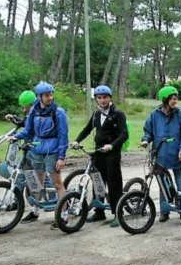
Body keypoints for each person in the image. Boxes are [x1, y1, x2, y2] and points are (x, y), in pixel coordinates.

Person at [70, 85, 128, 227]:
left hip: (112, 153)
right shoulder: (96, 113)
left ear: (109, 98)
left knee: (114, 184)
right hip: (98, 152)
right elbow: (88, 129)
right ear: (96, 99)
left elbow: (124, 134)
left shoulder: (117, 114)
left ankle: (117, 214)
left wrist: (112, 145)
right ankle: (99, 211)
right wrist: (77, 140)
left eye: (105, 97)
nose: (102, 100)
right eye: (99, 98)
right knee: (97, 181)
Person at [11, 81, 69, 225]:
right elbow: (28, 130)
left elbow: (63, 135)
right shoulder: (34, 111)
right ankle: (35, 211)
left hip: (52, 150)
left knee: (57, 184)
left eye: (51, 94)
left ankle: (64, 215)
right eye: (46, 95)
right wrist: (15, 136)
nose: (50, 97)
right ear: (39, 97)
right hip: (37, 149)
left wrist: (61, 157)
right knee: (37, 184)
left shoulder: (58, 112)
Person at [141, 85, 181, 222]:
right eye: (173, 99)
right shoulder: (154, 115)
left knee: (180, 184)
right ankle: (164, 211)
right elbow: (148, 132)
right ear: (165, 99)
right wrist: (145, 140)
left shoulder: (180, 115)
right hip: (161, 155)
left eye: (176, 99)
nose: (175, 101)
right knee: (163, 184)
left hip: (177, 155)